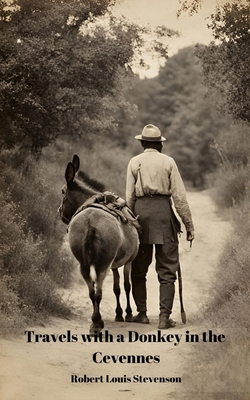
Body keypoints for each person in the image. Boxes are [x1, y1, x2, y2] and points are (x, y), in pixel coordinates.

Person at [126, 124, 195, 329]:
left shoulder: (134, 162)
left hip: (140, 216)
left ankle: (142, 314)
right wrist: (188, 225)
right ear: (159, 144)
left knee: (138, 269)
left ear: (142, 143)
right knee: (167, 270)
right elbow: (180, 197)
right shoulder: (169, 162)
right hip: (164, 215)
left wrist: (131, 224)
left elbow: (129, 198)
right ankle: (164, 318)